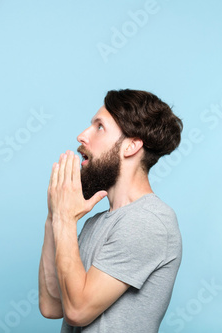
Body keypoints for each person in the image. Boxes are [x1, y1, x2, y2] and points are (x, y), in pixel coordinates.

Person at [38, 89, 183, 333]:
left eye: (99, 127)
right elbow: (52, 306)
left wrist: (64, 219)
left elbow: (77, 311)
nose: (82, 136)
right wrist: (54, 215)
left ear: (131, 146)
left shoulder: (148, 222)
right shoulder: (95, 222)